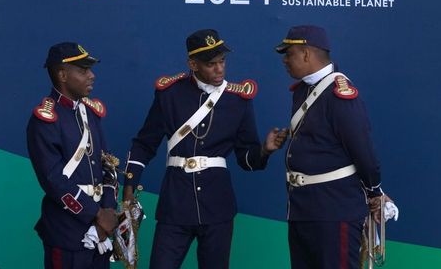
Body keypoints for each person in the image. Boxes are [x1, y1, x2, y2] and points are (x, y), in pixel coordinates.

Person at [122, 29, 287, 269]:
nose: (220, 69)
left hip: (217, 205)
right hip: (175, 204)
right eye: (211, 64)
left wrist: (264, 150)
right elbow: (144, 144)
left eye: (222, 62)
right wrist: (129, 185)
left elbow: (246, 159)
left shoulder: (238, 100)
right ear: (193, 64)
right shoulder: (169, 94)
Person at [275, 25, 395, 269]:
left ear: (306, 54)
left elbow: (363, 150)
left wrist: (375, 191)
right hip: (302, 209)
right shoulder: (302, 91)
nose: (285, 61)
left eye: (290, 54)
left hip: (333, 210)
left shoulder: (340, 93)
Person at [27, 42, 119, 269]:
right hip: (68, 231)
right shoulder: (46, 120)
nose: (92, 76)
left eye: (90, 70)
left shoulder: (91, 113)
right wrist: (96, 214)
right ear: (62, 75)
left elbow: (108, 165)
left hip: (101, 230)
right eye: (83, 70)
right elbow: (53, 180)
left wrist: (107, 210)